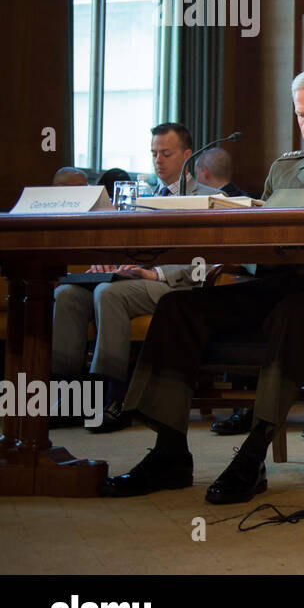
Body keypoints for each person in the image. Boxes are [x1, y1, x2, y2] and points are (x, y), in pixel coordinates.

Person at [102, 67, 304, 504]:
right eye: (302, 114)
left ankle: (253, 450)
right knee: (178, 307)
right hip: (278, 281)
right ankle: (169, 450)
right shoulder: (284, 168)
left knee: (295, 309)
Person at [51, 124, 218, 433]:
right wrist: (107, 264)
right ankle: (69, 398)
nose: (158, 160)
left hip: (179, 286)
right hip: (132, 277)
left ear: (187, 155)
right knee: (68, 295)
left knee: (108, 294)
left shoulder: (210, 198)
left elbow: (208, 261)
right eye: (154, 153)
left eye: (166, 153)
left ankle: (113, 398)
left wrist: (155, 273)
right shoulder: (139, 197)